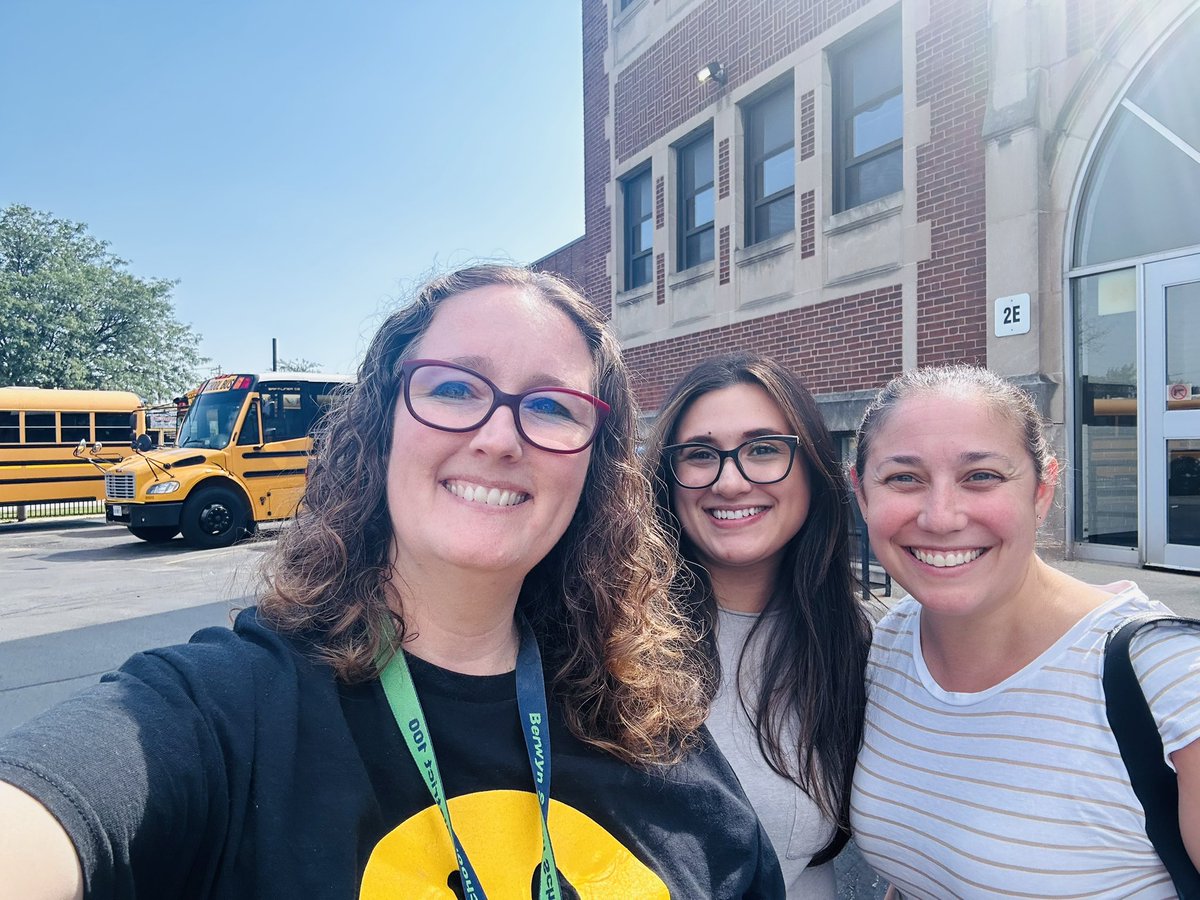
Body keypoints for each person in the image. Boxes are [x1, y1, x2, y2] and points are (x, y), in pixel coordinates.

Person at [0, 265, 783, 899]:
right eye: (453, 388)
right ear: (380, 428)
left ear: (594, 464)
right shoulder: (224, 712)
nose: (501, 436)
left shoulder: (653, 728)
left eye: (551, 405)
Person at [849, 364, 1200, 897]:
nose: (941, 516)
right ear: (862, 494)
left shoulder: (1169, 677)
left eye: (981, 476)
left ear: (1042, 491)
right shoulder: (884, 650)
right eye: (904, 478)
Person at [642, 351, 872, 898]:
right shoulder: (602, 637)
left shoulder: (860, 638)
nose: (730, 482)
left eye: (764, 449)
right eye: (700, 454)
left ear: (814, 471)